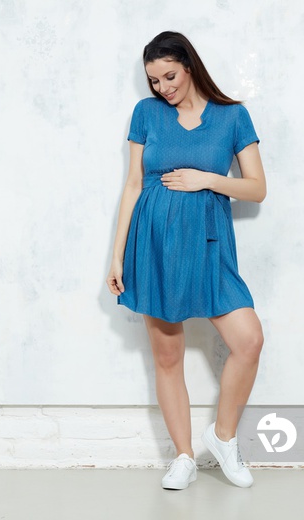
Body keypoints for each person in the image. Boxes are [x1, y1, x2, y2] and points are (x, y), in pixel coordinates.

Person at [106, 31, 266, 490]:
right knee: (168, 354)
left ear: (190, 66)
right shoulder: (146, 114)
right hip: (153, 244)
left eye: (169, 76)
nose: (162, 88)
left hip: (211, 245)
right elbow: (133, 185)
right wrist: (117, 257)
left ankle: (223, 437)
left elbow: (256, 188)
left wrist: (208, 179)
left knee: (249, 341)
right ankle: (181, 457)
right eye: (154, 81)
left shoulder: (233, 116)